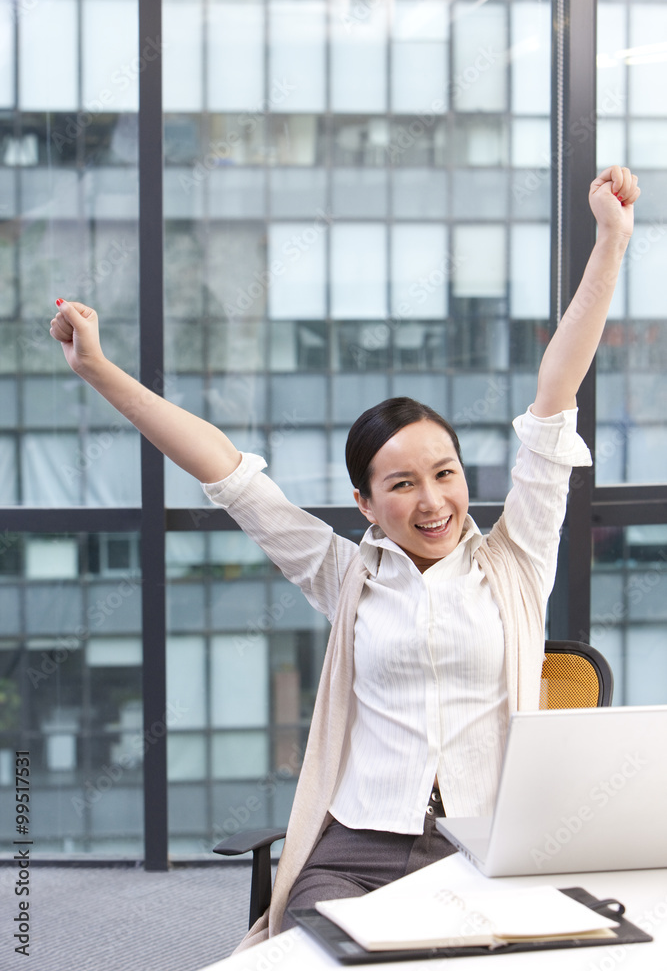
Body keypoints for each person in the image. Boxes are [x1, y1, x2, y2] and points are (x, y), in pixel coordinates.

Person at [50, 165, 640, 949]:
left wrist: (611, 239)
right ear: (366, 504)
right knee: (320, 951)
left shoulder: (517, 558)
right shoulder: (345, 573)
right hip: (356, 849)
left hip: (484, 849)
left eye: (444, 474)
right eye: (401, 484)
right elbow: (223, 468)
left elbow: (555, 389)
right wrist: (97, 368)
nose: (431, 501)